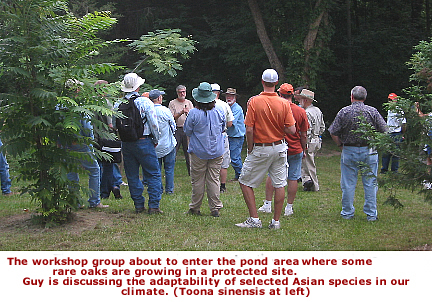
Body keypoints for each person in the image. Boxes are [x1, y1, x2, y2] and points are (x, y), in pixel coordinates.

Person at [235, 69, 296, 229]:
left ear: (262, 81)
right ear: (276, 84)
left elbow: (249, 129)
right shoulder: (284, 103)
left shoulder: (254, 101)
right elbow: (292, 130)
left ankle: (254, 219)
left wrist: (250, 148)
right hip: (280, 147)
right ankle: (276, 221)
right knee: (279, 184)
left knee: (245, 181)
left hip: (261, 147)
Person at [328, 86, 387, 221]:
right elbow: (385, 130)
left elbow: (333, 131)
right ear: (365, 98)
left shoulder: (344, 112)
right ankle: (371, 214)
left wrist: (340, 145)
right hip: (370, 150)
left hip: (349, 149)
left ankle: (347, 212)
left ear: (351, 96)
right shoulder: (372, 111)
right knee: (370, 183)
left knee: (348, 184)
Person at [258, 83, 309, 216]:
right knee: (293, 177)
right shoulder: (301, 111)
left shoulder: (276, 108)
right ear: (292, 95)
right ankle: (289, 207)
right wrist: (304, 149)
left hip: (278, 146)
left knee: (272, 175)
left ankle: (268, 204)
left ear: (280, 94)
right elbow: (304, 134)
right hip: (296, 149)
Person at [118, 73, 163, 214]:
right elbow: (154, 124)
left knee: (132, 175)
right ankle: (154, 206)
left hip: (127, 143)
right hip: (144, 141)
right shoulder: (145, 102)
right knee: (153, 173)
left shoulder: (118, 104)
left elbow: (113, 125)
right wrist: (155, 140)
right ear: (138, 87)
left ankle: (138, 205)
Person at [63, 79, 108, 209]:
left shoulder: (60, 104)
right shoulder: (80, 105)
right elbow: (87, 126)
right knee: (94, 170)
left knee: (71, 172)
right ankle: (94, 201)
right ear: (77, 89)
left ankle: (75, 201)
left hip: (66, 143)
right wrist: (90, 140)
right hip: (81, 143)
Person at [184, 82, 226, 217]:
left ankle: (195, 207)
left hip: (199, 151)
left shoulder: (193, 113)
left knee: (198, 180)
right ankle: (215, 208)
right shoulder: (219, 111)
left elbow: (187, 130)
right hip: (217, 150)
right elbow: (223, 128)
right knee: (214, 179)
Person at [94, 80, 122, 200]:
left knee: (98, 165)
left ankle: (104, 189)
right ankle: (107, 190)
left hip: (95, 136)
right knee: (109, 165)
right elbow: (111, 124)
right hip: (107, 137)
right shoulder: (107, 103)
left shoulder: (91, 102)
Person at [149, 89, 177, 194]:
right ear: (159, 98)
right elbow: (173, 126)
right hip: (168, 145)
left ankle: (158, 189)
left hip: (154, 146)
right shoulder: (165, 110)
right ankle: (169, 190)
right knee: (169, 169)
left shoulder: (148, 110)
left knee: (157, 170)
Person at [297, 89, 325, 191]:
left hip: (310, 141)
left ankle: (315, 186)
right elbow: (322, 127)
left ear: (305, 100)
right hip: (317, 140)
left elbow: (306, 131)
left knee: (309, 165)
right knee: (306, 163)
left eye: (300, 100)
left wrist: (304, 144)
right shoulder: (317, 110)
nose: (299, 102)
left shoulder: (306, 113)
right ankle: (307, 182)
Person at [211, 83, 234, 193]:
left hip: (208, 135)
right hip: (222, 134)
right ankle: (222, 186)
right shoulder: (224, 105)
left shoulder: (204, 105)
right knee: (223, 161)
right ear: (219, 93)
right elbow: (230, 123)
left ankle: (211, 183)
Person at [169, 85, 194, 175]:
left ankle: (191, 172)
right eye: (180, 92)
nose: (182, 93)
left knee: (189, 151)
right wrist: (181, 112)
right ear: (177, 93)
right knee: (174, 150)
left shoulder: (189, 103)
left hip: (187, 129)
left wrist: (188, 113)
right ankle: (170, 170)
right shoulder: (172, 103)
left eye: (183, 92)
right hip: (177, 129)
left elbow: (193, 116)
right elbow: (171, 118)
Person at [380, 93, 406, 173]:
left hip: (397, 133)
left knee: (395, 154)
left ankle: (394, 171)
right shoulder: (389, 110)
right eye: (389, 100)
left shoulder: (399, 110)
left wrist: (402, 134)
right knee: (386, 153)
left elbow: (403, 123)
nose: (390, 102)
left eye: (392, 100)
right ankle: (384, 169)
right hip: (389, 133)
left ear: (395, 100)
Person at [224, 87, 246, 181]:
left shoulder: (236, 108)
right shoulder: (227, 107)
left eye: (231, 96)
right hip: (230, 135)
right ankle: (239, 175)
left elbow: (231, 122)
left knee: (234, 158)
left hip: (236, 136)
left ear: (235, 97)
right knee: (234, 157)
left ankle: (242, 176)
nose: (229, 97)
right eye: (228, 96)